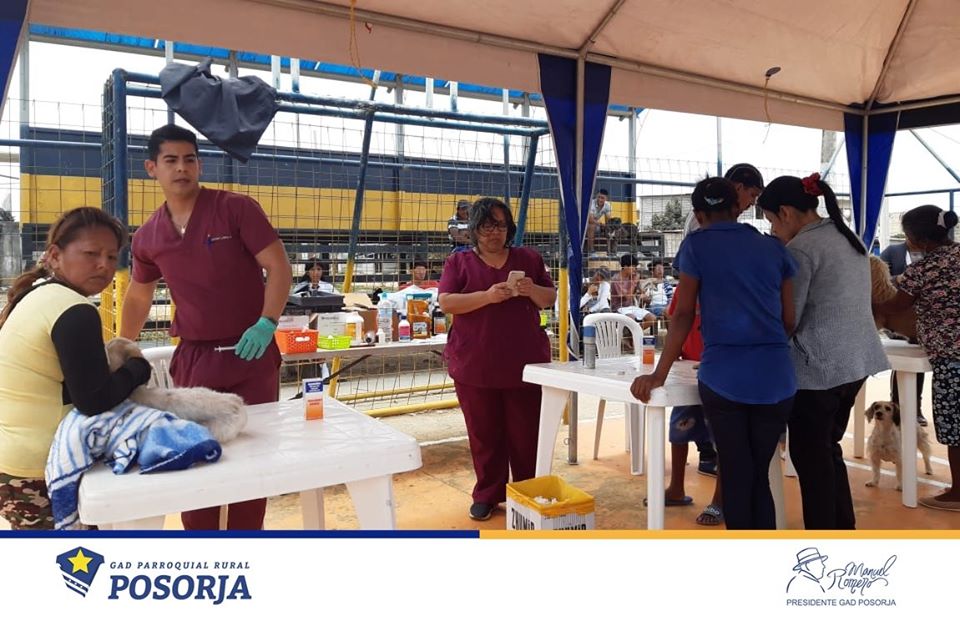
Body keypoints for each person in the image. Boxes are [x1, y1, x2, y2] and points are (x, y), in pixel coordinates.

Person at [119, 124, 292, 531]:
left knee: (253, 462)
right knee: (195, 460)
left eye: (190, 159)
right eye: (171, 160)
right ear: (152, 168)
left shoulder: (236, 209)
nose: (182, 168)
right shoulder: (148, 237)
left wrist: (267, 322)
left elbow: (278, 266)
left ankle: (246, 544)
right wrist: (123, 345)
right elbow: (139, 296)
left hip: (251, 353)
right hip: (196, 359)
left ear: (199, 164)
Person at [632, 177, 798, 530]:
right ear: (737, 208)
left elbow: (683, 314)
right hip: (776, 377)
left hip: (725, 377)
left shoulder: (696, 246)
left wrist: (658, 374)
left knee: (736, 474)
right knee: (759, 475)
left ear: (698, 215)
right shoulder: (774, 248)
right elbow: (789, 320)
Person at [0, 207, 152, 530]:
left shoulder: (37, 295)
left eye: (111, 256)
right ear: (55, 256)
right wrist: (138, 368)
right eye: (91, 254)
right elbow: (94, 400)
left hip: (11, 467)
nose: (104, 265)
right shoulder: (75, 310)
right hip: (39, 471)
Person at [758, 173, 888, 530]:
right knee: (828, 449)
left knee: (812, 460)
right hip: (855, 361)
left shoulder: (801, 249)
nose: (772, 230)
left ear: (785, 212)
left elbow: (790, 317)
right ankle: (842, 528)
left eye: (771, 221)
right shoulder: (847, 237)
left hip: (818, 369)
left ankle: (824, 536)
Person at [438, 197, 556, 521]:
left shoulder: (529, 258)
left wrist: (531, 289)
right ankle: (488, 494)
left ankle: (528, 491)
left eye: (501, 225)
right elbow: (447, 302)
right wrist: (488, 296)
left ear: (510, 229)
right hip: (474, 363)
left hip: (525, 363)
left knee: (526, 433)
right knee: (483, 434)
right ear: (474, 229)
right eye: (487, 226)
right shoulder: (458, 262)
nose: (494, 232)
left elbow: (549, 297)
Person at [877, 205, 960, 511]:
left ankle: (958, 493)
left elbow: (897, 304)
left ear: (919, 240)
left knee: (954, 426)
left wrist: (871, 298)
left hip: (950, 357)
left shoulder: (924, 269)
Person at [662, 282, 724, 526]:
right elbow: (675, 317)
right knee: (679, 429)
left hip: (719, 369)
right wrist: (675, 350)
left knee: (723, 438)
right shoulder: (685, 286)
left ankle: (720, 501)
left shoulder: (725, 284)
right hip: (688, 367)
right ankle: (676, 488)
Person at [880, 232, 927, 426]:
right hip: (896, 319)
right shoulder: (892, 251)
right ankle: (896, 406)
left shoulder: (931, 253)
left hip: (920, 321)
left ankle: (916, 408)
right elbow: (878, 281)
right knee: (901, 367)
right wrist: (897, 279)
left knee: (917, 368)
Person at [682, 163, 765, 236]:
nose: (753, 203)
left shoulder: (710, 211)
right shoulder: (710, 214)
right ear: (739, 188)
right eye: (753, 195)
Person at [610, 254, 656, 333]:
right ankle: (633, 335)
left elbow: (640, 292)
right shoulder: (616, 279)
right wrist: (634, 282)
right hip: (618, 308)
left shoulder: (632, 277)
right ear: (625, 267)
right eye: (633, 266)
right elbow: (627, 297)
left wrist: (643, 294)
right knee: (632, 318)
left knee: (652, 318)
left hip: (632, 307)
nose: (635, 269)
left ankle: (634, 334)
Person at [585, 189, 611, 253]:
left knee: (609, 227)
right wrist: (600, 224)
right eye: (598, 197)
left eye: (602, 198)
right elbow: (590, 219)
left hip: (596, 224)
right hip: (585, 225)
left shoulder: (608, 205)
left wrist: (607, 226)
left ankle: (609, 250)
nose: (599, 199)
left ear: (606, 199)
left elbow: (608, 220)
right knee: (591, 225)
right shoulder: (591, 203)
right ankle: (591, 250)